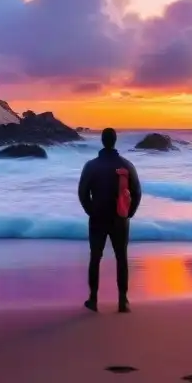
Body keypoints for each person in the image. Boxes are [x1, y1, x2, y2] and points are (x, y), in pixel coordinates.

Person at [77, 127, 142, 313]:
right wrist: (129, 213)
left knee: (95, 258)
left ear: (102, 141)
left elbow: (82, 193)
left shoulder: (91, 166)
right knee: (121, 258)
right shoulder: (127, 165)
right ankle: (123, 301)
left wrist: (91, 211)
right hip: (119, 217)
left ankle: (93, 299)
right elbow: (137, 192)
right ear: (115, 141)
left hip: (98, 217)